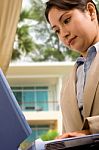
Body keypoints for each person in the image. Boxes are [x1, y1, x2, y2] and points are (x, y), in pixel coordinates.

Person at [44, 0, 99, 139]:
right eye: (57, 31)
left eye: (66, 20)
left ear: (91, 11)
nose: (63, 34)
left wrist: (90, 131)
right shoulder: (68, 84)